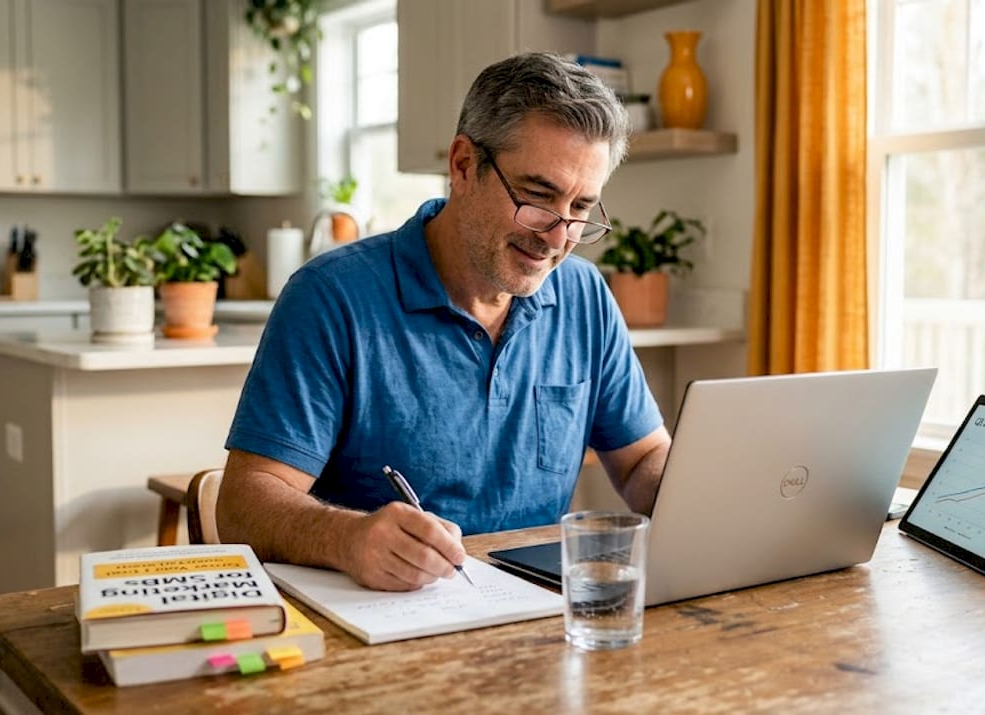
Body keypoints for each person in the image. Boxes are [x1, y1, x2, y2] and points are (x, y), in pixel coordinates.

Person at [218, 52, 671, 591]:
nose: (557, 237)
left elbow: (643, 457)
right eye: (537, 196)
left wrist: (717, 495)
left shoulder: (585, 295)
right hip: (380, 619)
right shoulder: (332, 296)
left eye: (580, 208)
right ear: (462, 166)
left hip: (537, 617)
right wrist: (347, 537)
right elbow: (243, 504)